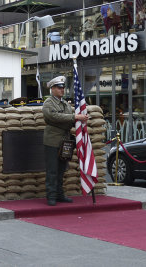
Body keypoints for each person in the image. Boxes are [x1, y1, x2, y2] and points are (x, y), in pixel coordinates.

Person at [42, 76, 89, 206]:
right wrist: (74, 117)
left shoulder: (65, 104)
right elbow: (53, 116)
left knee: (61, 170)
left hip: (65, 142)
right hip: (52, 141)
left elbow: (69, 119)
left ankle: (59, 194)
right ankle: (51, 196)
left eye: (63, 87)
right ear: (52, 89)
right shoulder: (48, 103)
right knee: (52, 170)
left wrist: (80, 120)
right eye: (59, 87)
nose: (62, 90)